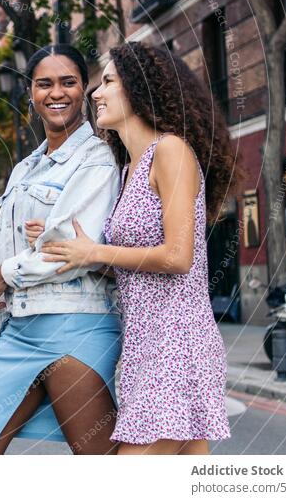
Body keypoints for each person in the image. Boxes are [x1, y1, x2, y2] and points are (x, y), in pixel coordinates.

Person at [32, 41, 240, 455]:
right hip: (143, 346)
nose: (95, 93)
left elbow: (178, 257)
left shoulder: (171, 151)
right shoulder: (129, 168)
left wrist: (95, 253)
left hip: (177, 346)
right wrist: (70, 247)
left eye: (107, 81)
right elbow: (135, 266)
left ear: (140, 89)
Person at [0, 44, 122, 455]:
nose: (56, 93)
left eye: (68, 82)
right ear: (30, 94)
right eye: (44, 84)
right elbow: (5, 255)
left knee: (98, 461)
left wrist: (5, 273)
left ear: (85, 89)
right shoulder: (23, 169)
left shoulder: (97, 159)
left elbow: (68, 247)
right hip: (20, 330)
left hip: (77, 325)